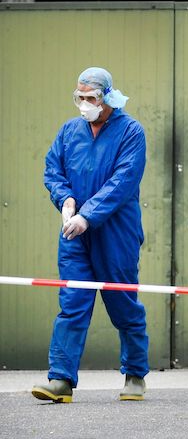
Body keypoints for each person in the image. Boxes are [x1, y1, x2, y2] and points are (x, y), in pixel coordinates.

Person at [33, 67, 149, 403]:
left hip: (117, 234)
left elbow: (122, 182)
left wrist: (88, 215)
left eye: (91, 98)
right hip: (74, 235)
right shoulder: (70, 131)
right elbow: (52, 169)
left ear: (108, 98)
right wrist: (65, 199)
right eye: (79, 98)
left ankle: (135, 375)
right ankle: (61, 380)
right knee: (72, 305)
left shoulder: (131, 132)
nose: (85, 105)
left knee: (123, 304)